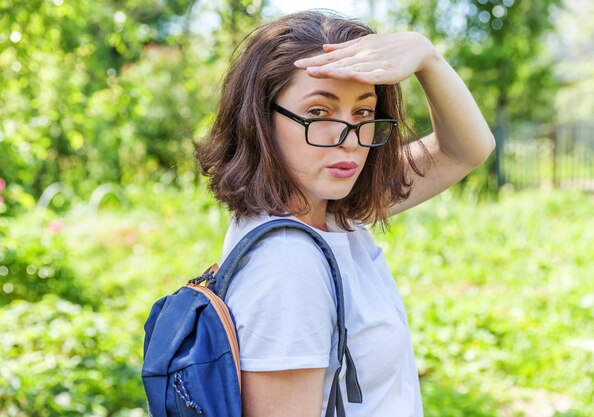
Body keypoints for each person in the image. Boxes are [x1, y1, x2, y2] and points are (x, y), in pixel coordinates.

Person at [194, 9, 495, 417]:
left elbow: (467, 149)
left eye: (363, 113)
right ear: (261, 120)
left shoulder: (332, 213)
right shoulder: (287, 263)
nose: (349, 141)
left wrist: (427, 58)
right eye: (319, 113)